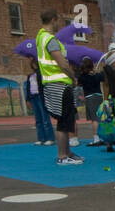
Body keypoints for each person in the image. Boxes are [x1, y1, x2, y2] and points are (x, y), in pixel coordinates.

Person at [35, 9, 82, 166]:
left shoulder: (40, 37)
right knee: (64, 121)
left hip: (50, 83)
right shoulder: (51, 40)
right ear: (54, 19)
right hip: (60, 84)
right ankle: (62, 155)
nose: (59, 25)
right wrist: (73, 76)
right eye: (58, 21)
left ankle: (67, 153)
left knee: (66, 120)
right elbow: (62, 63)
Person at [77, 58, 105, 147]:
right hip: (99, 96)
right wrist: (96, 72)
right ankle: (103, 137)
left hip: (90, 97)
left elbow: (78, 84)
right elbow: (102, 77)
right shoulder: (97, 75)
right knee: (100, 117)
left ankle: (96, 138)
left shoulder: (82, 76)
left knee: (94, 119)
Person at [26, 58, 54, 146]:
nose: (33, 65)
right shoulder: (30, 75)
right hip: (33, 97)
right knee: (38, 119)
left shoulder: (41, 73)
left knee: (45, 118)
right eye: (32, 63)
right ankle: (41, 138)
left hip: (41, 97)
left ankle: (50, 138)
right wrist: (27, 99)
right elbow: (28, 88)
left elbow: (44, 85)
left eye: (35, 63)